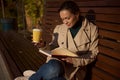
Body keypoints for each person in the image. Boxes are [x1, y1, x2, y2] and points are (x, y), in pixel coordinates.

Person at [14, 1, 98, 80]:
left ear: (77, 14)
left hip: (75, 69)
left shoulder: (91, 29)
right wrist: (43, 45)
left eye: (67, 18)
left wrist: (74, 60)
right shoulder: (59, 28)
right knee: (54, 69)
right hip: (57, 63)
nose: (65, 22)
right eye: (62, 19)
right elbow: (53, 46)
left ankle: (35, 76)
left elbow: (93, 54)